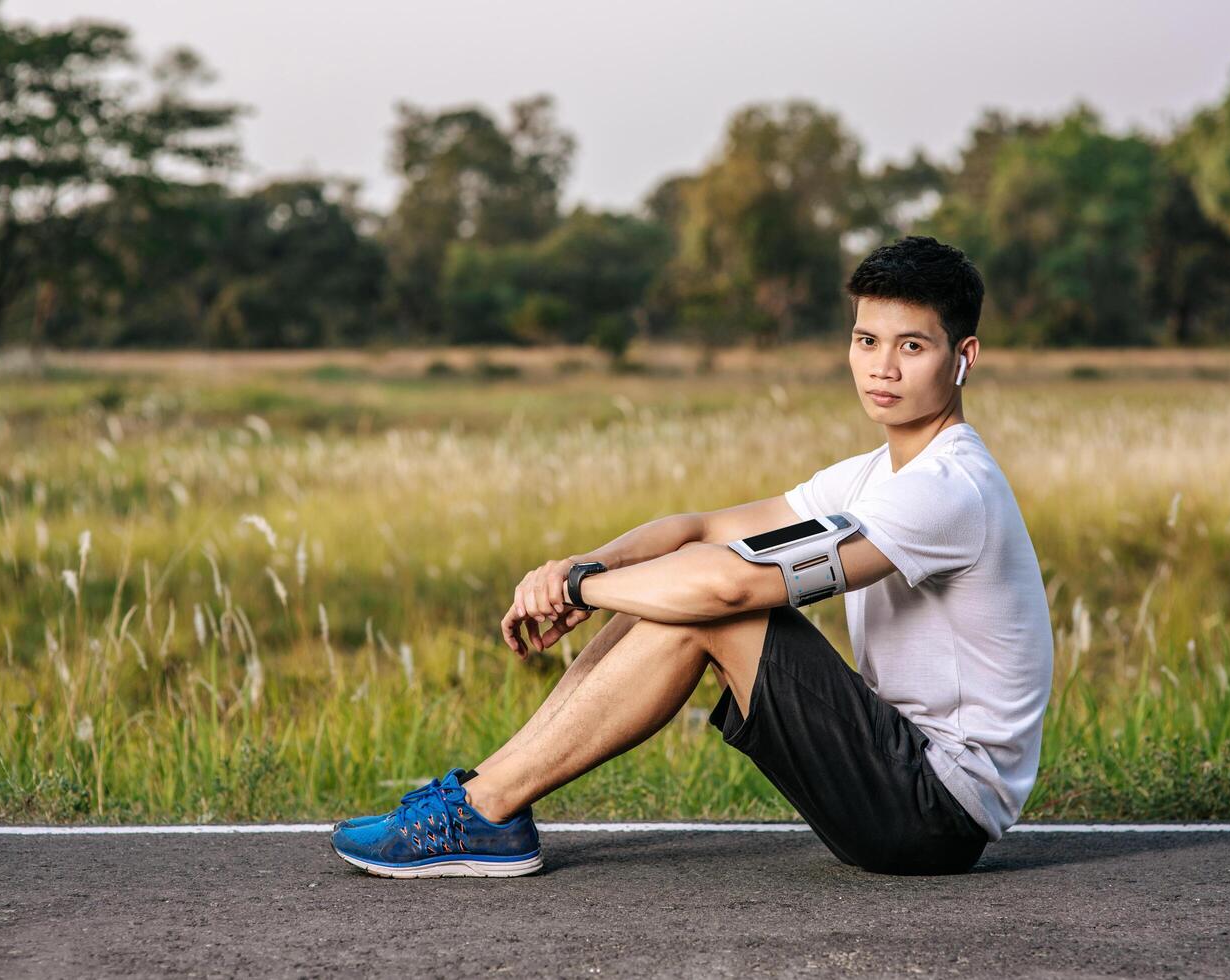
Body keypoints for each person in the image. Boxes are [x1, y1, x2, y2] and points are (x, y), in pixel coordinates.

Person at [331, 236, 1055, 878]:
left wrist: (587, 591)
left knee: (711, 608)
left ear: (963, 357)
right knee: (670, 590)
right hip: (894, 781)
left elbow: (735, 591)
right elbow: (700, 527)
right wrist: (581, 568)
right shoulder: (873, 473)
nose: (882, 368)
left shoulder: (950, 488)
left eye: (912, 346)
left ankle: (485, 809)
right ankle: (484, 801)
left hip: (934, 812)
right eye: (867, 341)